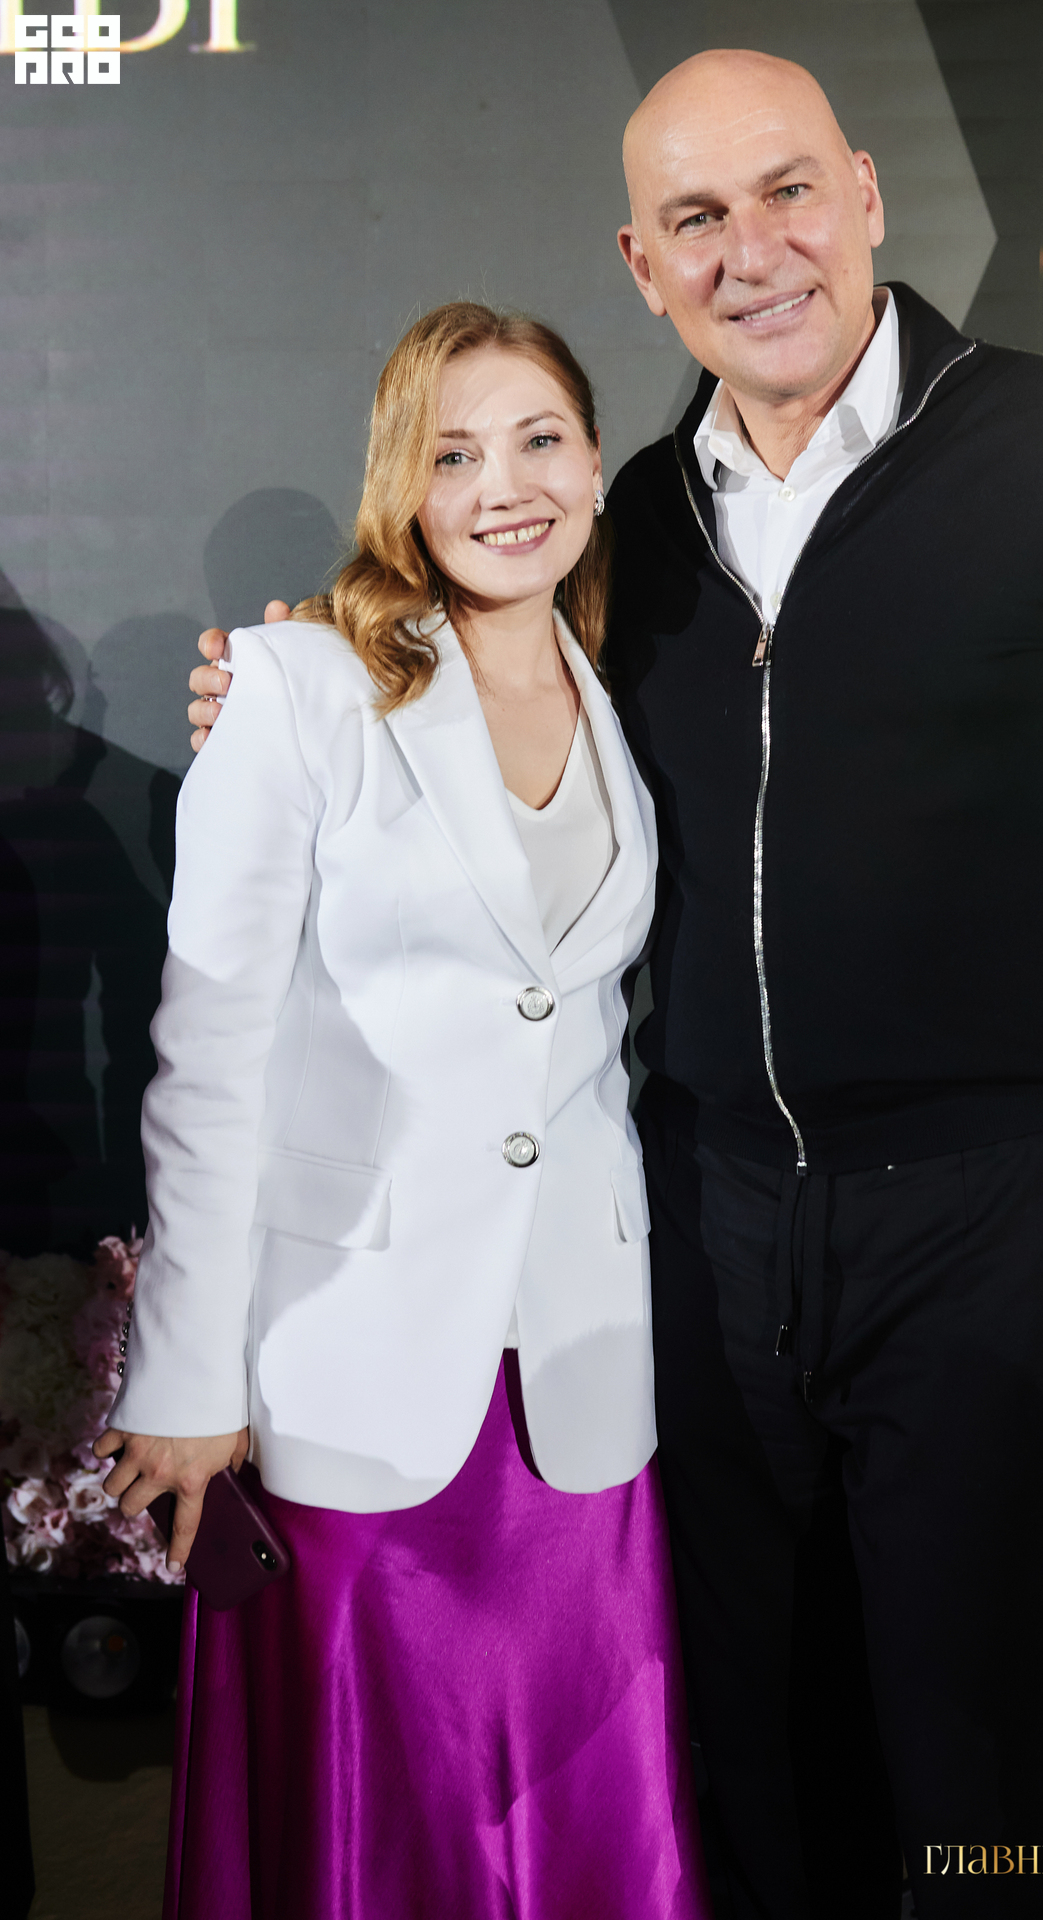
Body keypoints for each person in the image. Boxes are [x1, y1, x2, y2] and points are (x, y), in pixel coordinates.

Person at [188, 50, 1043, 1920]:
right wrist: (295, 672)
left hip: (986, 1226)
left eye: (787, 194)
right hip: (701, 1231)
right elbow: (460, 686)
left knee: (993, 1779)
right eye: (696, 219)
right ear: (641, 262)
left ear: (865, 194)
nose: (751, 252)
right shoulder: (627, 528)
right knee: (760, 1773)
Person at [97, 302, 710, 1920]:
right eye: (454, 454)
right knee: (377, 1821)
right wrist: (188, 1374)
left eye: (540, 439)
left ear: (596, 463)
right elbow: (210, 1054)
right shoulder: (299, 684)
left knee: (580, 1812)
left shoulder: (622, 695)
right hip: (352, 1371)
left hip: (579, 1380)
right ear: (403, 489)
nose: (504, 485)